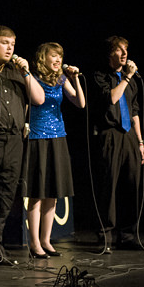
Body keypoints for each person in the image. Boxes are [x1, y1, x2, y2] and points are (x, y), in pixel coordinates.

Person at [0, 26, 45, 265]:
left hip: (14, 141)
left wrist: (27, 73)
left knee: (4, 197)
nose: (10, 48)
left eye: (13, 44)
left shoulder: (17, 72)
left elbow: (39, 99)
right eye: (5, 43)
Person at [25, 43, 85, 258]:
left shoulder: (61, 79)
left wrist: (75, 78)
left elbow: (80, 103)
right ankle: (34, 243)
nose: (58, 60)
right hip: (38, 137)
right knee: (37, 193)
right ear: (44, 58)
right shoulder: (33, 77)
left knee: (53, 193)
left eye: (60, 56)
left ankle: (46, 240)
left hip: (58, 137)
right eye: (54, 56)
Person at [89, 36, 144, 252]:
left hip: (130, 135)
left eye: (126, 50)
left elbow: (134, 112)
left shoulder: (130, 79)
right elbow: (112, 98)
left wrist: (141, 142)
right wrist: (127, 77)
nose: (124, 54)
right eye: (119, 50)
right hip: (110, 134)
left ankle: (128, 235)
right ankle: (105, 236)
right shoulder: (99, 75)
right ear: (109, 53)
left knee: (132, 184)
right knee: (108, 186)